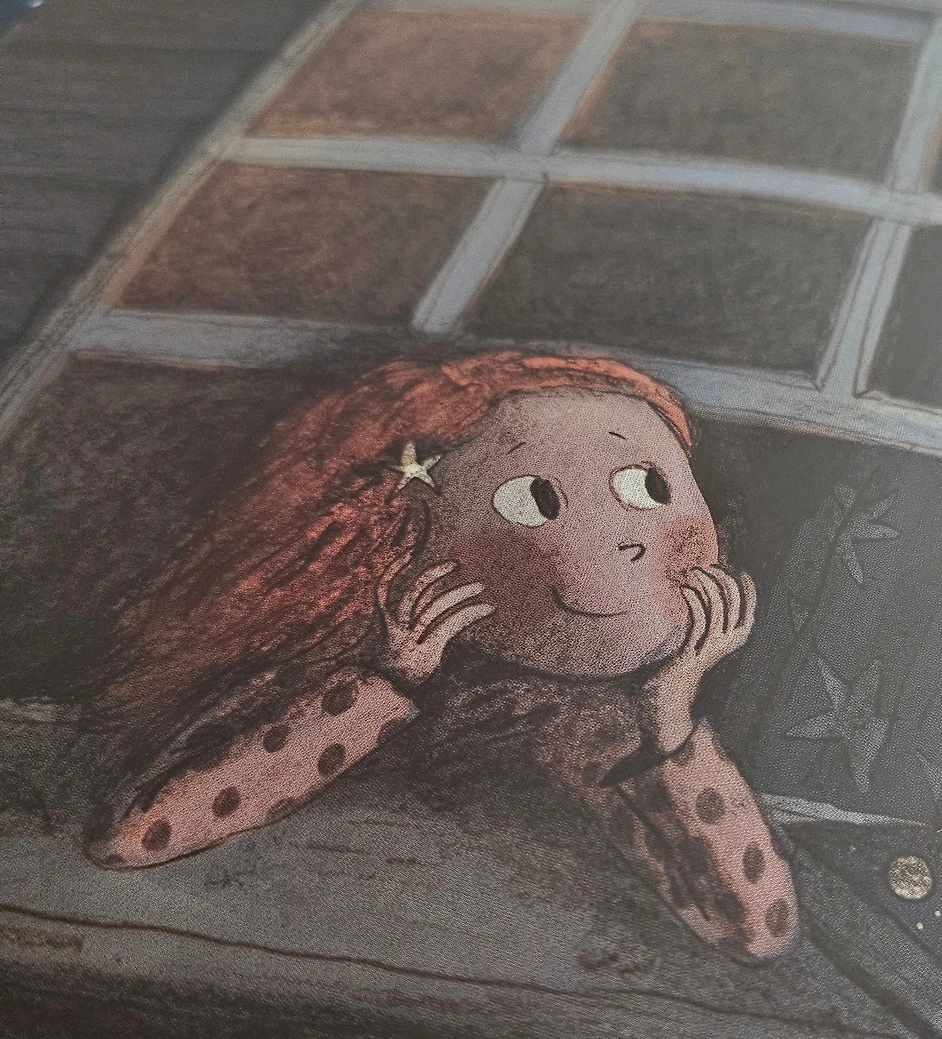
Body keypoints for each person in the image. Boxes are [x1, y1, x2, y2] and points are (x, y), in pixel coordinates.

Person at [87, 351, 797, 960]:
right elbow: (136, 835)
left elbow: (757, 926)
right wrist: (388, 683)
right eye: (532, 499)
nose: (626, 537)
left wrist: (673, 715)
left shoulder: (581, 720)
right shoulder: (330, 667)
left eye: (647, 487)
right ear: (405, 539)